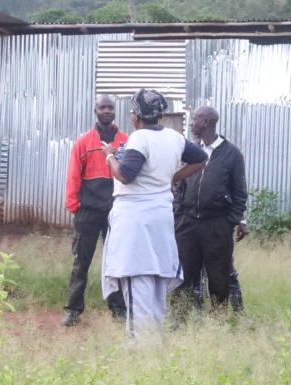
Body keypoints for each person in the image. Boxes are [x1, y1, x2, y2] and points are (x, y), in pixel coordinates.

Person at [100, 89, 208, 344]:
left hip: (136, 220)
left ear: (136, 116)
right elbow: (201, 158)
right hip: (160, 217)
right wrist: (175, 177)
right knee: (156, 281)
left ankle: (140, 349)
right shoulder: (174, 137)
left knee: (136, 280)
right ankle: (154, 342)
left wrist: (109, 156)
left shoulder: (139, 138)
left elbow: (126, 175)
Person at [171, 106, 248, 317]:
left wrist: (229, 223)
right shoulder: (191, 151)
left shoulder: (232, 154)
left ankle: (217, 322)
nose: (192, 124)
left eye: (195, 120)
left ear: (206, 123)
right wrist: (179, 215)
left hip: (216, 226)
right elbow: (180, 185)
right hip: (187, 225)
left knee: (219, 276)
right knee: (183, 275)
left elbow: (239, 193)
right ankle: (179, 319)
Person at [61, 94, 129, 327]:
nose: (107, 111)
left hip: (116, 212)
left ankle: (118, 308)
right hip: (88, 212)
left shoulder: (125, 142)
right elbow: (73, 175)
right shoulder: (84, 141)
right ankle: (72, 310)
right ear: (96, 110)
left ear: (115, 111)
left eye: (110, 107)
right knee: (81, 262)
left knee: (117, 263)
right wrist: (74, 207)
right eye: (103, 107)